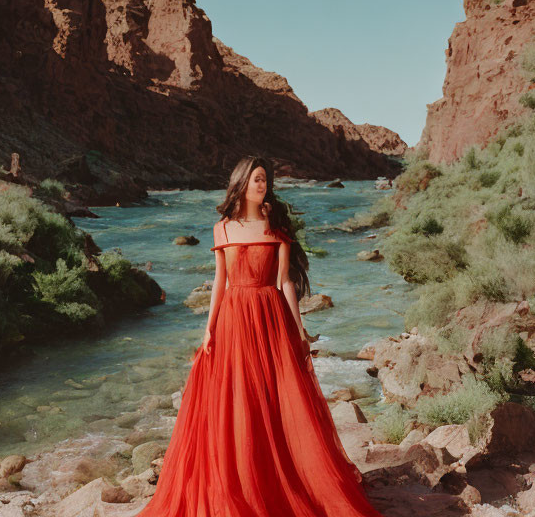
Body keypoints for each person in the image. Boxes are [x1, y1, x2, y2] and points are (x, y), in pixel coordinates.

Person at [136, 155, 384, 517]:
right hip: (234, 319)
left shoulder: (275, 226)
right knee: (237, 398)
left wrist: (299, 331)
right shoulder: (222, 228)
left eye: (265, 179)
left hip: (270, 317)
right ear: (241, 182)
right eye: (256, 179)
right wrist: (208, 329)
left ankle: (279, 478)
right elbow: (220, 280)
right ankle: (239, 481)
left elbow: (284, 282)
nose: (262, 184)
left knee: (274, 397)